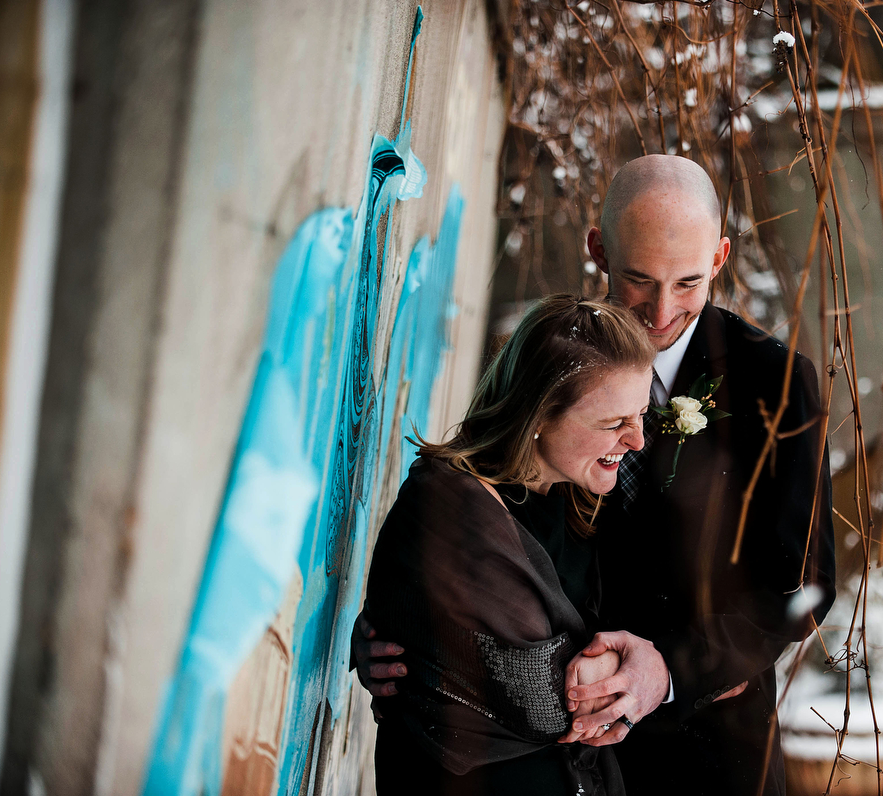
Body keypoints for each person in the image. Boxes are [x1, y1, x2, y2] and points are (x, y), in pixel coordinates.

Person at [357, 156, 836, 796]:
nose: (662, 311)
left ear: (720, 257)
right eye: (639, 279)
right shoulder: (550, 355)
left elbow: (801, 583)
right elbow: (483, 513)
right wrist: (415, 625)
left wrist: (668, 671)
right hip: (559, 753)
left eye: (689, 283)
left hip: (713, 754)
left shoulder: (777, 384)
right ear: (598, 248)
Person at [363, 295, 655, 795]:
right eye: (613, 424)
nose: (637, 440)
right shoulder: (452, 507)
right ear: (539, 414)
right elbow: (546, 699)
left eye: (641, 414)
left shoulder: (572, 501)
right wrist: (627, 669)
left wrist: (643, 667)